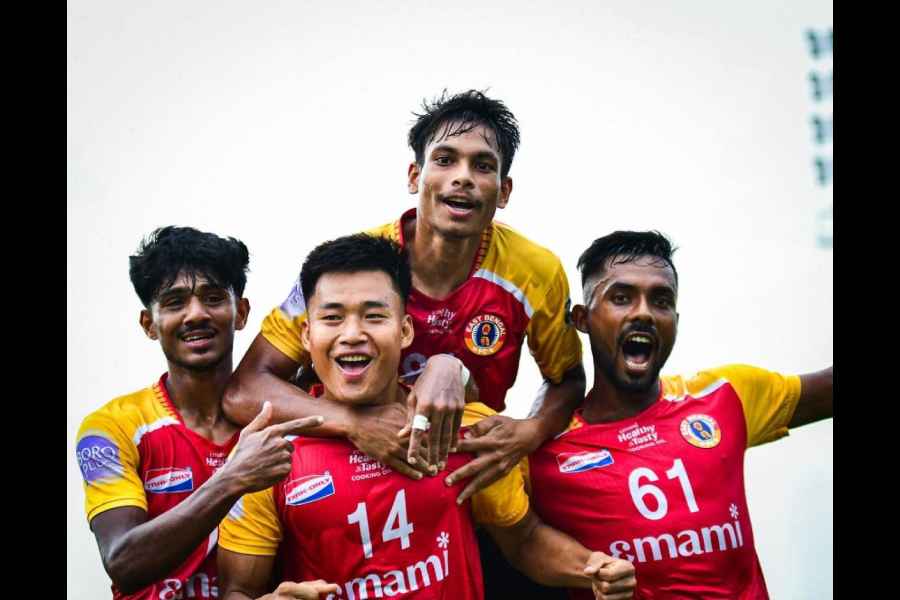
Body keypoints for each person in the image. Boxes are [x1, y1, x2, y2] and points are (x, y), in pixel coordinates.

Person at [217, 234, 636, 600]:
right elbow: (238, 589)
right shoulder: (270, 453)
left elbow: (523, 541)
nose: (352, 333)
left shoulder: (468, 427)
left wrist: (591, 568)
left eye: (373, 315)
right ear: (307, 335)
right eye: (332, 317)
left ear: (404, 332)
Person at [223, 89, 585, 501]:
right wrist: (353, 423)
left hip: (463, 477)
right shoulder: (352, 266)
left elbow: (568, 380)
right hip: (341, 472)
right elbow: (244, 390)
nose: (462, 177)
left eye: (482, 166)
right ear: (415, 176)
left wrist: (530, 431)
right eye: (445, 160)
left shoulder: (536, 270)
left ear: (503, 191)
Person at [523, 230, 833, 599]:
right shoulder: (543, 453)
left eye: (661, 301)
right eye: (621, 298)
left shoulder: (723, 396)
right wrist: (586, 568)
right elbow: (519, 541)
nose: (643, 313)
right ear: (582, 318)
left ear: (675, 319)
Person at [75, 226, 323, 599]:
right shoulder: (112, 427)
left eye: (212, 298)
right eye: (175, 302)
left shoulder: (287, 417)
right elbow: (124, 563)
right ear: (149, 325)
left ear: (240, 313)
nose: (196, 314)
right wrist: (232, 478)